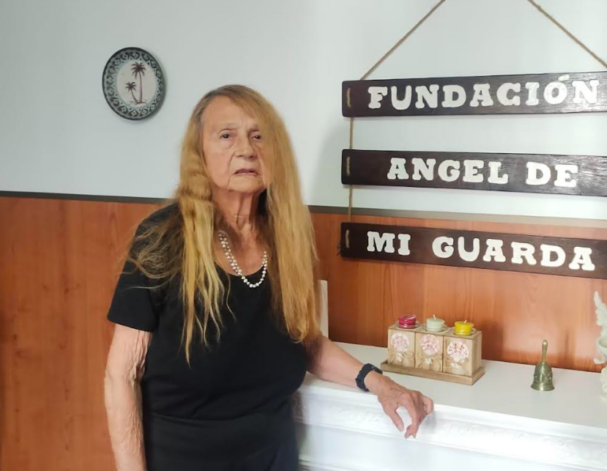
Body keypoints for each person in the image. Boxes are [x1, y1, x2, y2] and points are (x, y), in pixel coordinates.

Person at [103, 85, 433, 471]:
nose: (246, 149)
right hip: (182, 456)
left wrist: (381, 383)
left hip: (272, 454)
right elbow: (121, 375)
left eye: (258, 136)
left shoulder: (286, 238)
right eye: (227, 135)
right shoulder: (161, 238)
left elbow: (304, 341)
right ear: (199, 153)